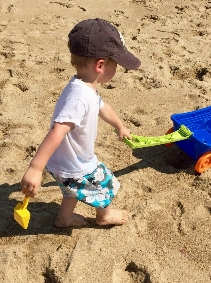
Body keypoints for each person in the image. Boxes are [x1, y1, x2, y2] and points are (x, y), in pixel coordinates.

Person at [20, 18, 141, 227]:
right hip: (75, 162)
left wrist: (119, 125)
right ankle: (104, 216)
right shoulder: (79, 98)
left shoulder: (84, 85)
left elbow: (102, 107)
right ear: (101, 65)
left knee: (72, 188)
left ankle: (64, 217)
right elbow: (57, 131)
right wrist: (35, 168)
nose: (118, 70)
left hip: (66, 161)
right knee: (105, 183)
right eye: (116, 65)